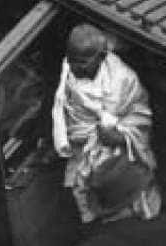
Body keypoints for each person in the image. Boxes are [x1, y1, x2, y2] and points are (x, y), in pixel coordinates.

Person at [51, 24, 158, 223]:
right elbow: (66, 112)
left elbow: (141, 119)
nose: (76, 67)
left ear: (101, 57)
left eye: (83, 62)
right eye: (72, 60)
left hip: (118, 156)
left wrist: (120, 137)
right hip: (82, 152)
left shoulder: (124, 79)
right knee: (85, 199)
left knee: (127, 202)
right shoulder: (68, 69)